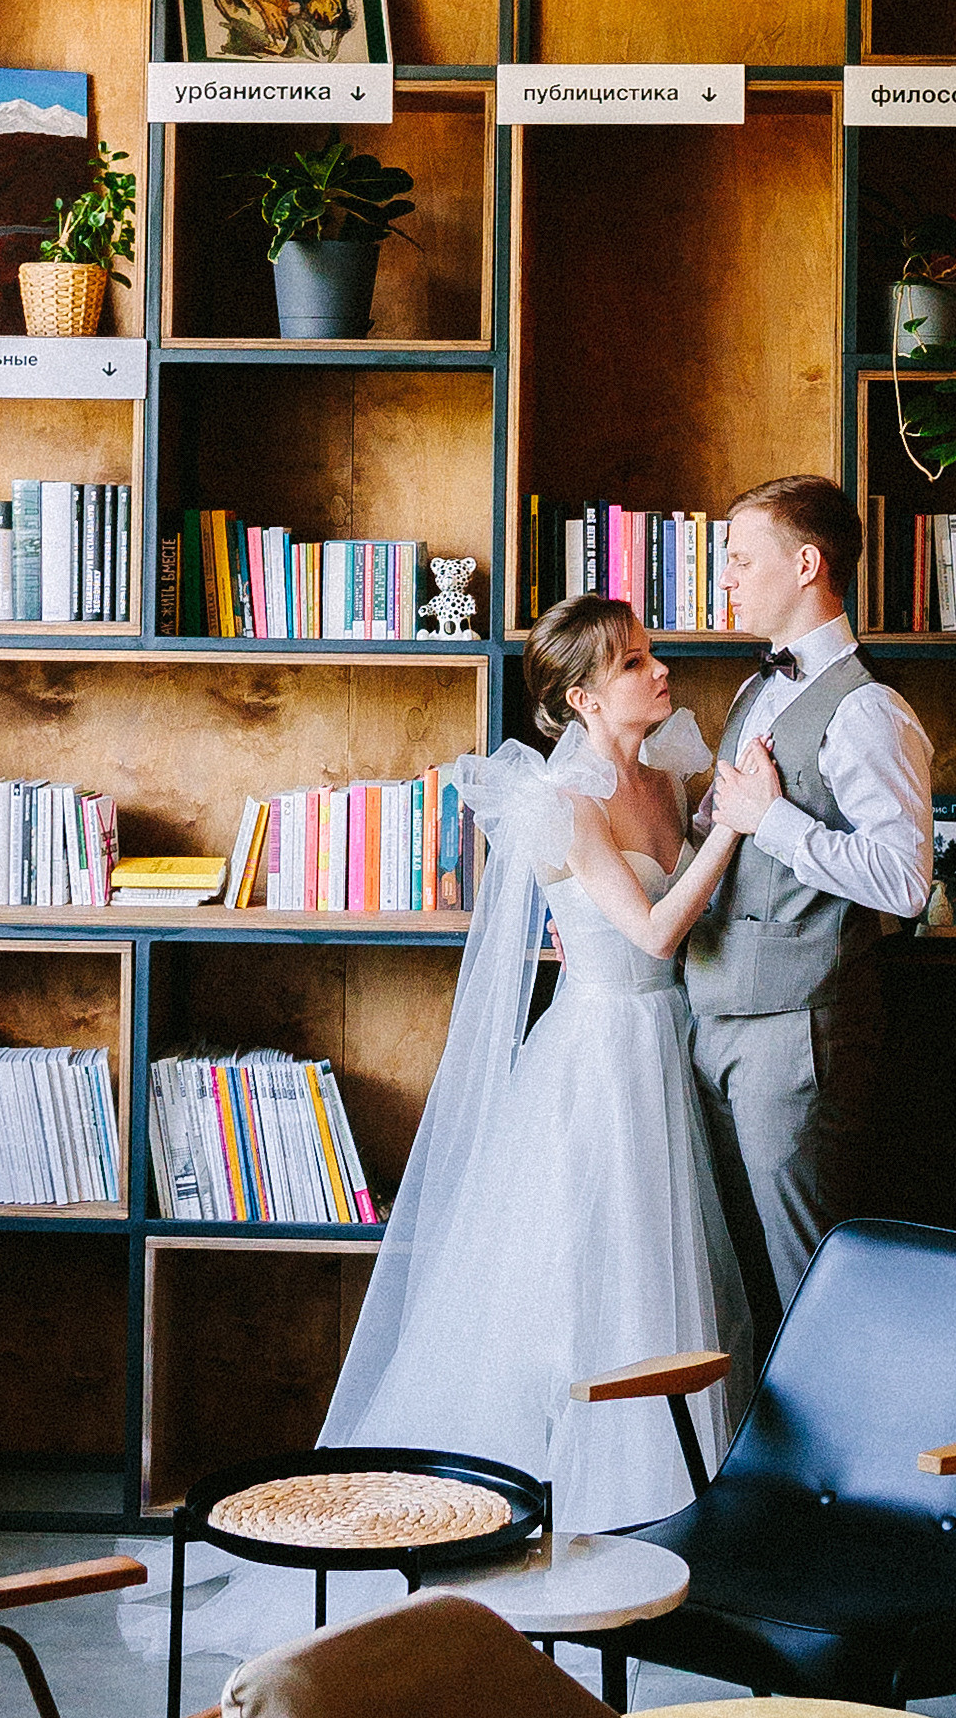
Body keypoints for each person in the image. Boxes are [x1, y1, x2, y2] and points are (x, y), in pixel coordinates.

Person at [322, 596, 752, 1532]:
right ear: (586, 698)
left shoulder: (671, 772)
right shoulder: (564, 801)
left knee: (675, 1267)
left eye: (648, 653)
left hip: (672, 1041)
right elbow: (651, 933)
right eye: (635, 664)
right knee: (593, 1269)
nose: (660, 670)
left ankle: (674, 1493)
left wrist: (730, 811)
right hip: (599, 1055)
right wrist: (734, 830)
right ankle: (582, 1497)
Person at [688, 476, 934, 1344]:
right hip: (715, 1016)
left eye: (739, 559)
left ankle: (834, 1478)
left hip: (798, 1032)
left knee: (809, 1284)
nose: (726, 578)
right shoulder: (757, 692)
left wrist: (774, 820)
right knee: (748, 1282)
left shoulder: (869, 710)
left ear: (806, 564)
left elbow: (906, 881)